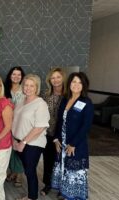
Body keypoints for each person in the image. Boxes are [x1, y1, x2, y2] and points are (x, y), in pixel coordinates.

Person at [51, 72, 94, 200]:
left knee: (74, 171)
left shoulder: (87, 102)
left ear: (84, 85)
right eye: (74, 82)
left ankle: (74, 196)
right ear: (69, 84)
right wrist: (56, 138)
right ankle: (65, 193)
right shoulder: (65, 99)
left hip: (75, 144)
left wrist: (73, 144)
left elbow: (85, 126)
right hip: (62, 142)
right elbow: (60, 121)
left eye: (79, 82)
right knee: (64, 168)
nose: (76, 85)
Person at [12, 74, 50, 200]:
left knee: (30, 170)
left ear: (36, 88)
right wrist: (14, 140)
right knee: (27, 170)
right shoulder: (21, 101)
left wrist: (23, 142)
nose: (28, 88)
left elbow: (40, 127)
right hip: (18, 141)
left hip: (32, 143)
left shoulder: (40, 104)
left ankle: (32, 197)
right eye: (26, 85)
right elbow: (15, 121)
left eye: (31, 86)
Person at [40, 68, 66, 196]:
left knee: (62, 161)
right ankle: (48, 184)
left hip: (63, 135)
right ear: (49, 80)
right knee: (48, 160)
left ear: (63, 78)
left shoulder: (68, 96)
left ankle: (62, 187)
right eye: (53, 77)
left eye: (58, 77)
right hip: (48, 134)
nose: (55, 80)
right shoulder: (45, 95)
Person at [4, 66, 26, 186]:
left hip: (20, 123)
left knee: (18, 149)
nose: (16, 77)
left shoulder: (25, 89)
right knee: (10, 149)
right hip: (7, 123)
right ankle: (13, 171)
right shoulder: (5, 88)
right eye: (14, 74)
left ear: (22, 77)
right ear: (10, 76)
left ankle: (19, 175)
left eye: (19, 74)